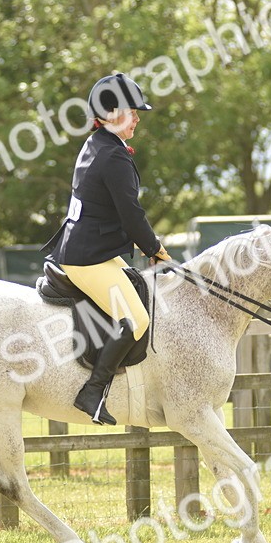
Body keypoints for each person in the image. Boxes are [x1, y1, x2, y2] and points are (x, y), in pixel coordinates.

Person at [42, 73, 172, 426]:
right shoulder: (112, 157)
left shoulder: (97, 143)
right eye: (133, 111)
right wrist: (156, 248)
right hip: (87, 258)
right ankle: (92, 391)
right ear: (113, 114)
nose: (139, 118)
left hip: (88, 248)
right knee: (135, 320)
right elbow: (131, 214)